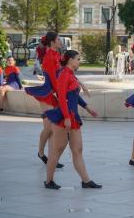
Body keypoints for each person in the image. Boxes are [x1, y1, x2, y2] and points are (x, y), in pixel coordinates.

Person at [43, 50, 100, 190]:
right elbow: (61, 97)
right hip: (64, 118)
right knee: (57, 150)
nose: (79, 62)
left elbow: (74, 96)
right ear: (70, 60)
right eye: (78, 59)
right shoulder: (64, 75)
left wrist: (87, 108)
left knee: (78, 150)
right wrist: (67, 118)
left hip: (72, 117)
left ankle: (86, 181)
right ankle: (49, 181)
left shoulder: (71, 74)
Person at [25, 32, 65, 168]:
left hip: (52, 93)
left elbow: (60, 75)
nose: (60, 40)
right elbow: (53, 78)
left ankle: (52, 158)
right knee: (49, 128)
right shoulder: (49, 56)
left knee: (53, 128)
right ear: (52, 42)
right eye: (58, 39)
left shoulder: (56, 55)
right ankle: (41, 153)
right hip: (47, 93)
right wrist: (60, 94)